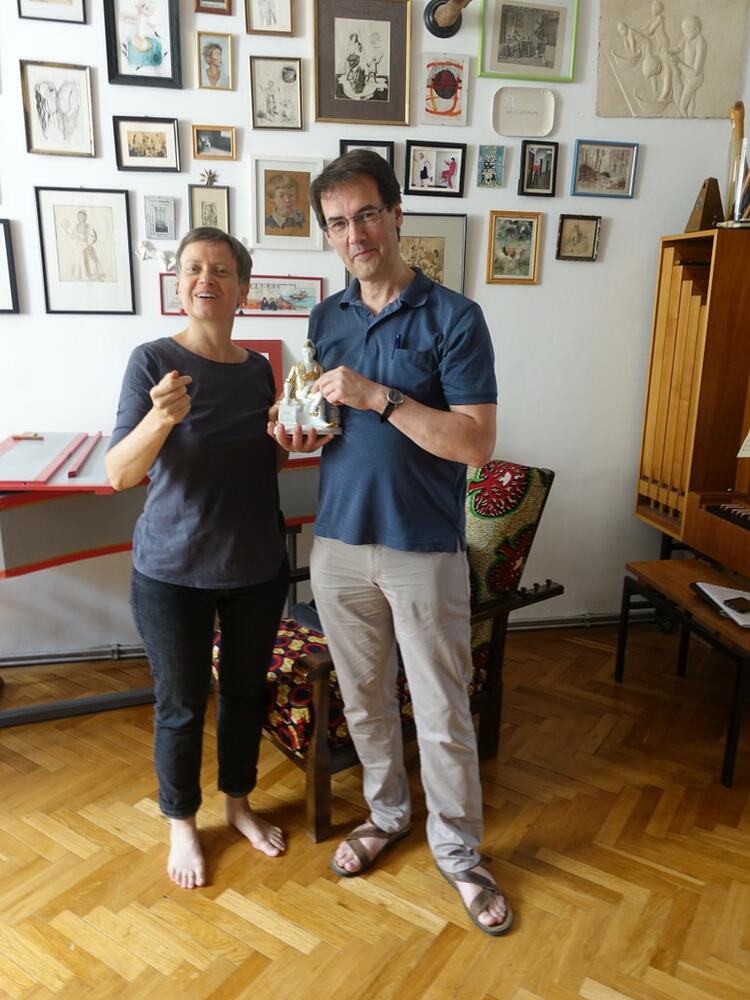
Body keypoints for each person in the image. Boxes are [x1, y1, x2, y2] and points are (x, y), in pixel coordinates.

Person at [268, 150, 512, 936]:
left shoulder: (456, 318)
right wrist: (297, 430)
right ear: (328, 234)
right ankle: (388, 814)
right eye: (338, 222)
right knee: (365, 700)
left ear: (397, 215)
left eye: (367, 214)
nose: (355, 234)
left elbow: (474, 445)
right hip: (338, 543)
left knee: (441, 710)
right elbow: (327, 429)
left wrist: (379, 395)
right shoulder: (325, 319)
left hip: (423, 547)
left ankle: (460, 852)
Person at [106, 227, 290, 891]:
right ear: (179, 286)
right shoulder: (152, 361)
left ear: (243, 289)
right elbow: (120, 473)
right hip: (172, 572)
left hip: (256, 566)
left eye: (220, 269)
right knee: (181, 704)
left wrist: (288, 437)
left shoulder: (260, 368)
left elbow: (267, 461)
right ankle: (182, 821)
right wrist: (160, 419)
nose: (205, 279)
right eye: (192, 269)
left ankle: (238, 804)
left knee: (244, 694)